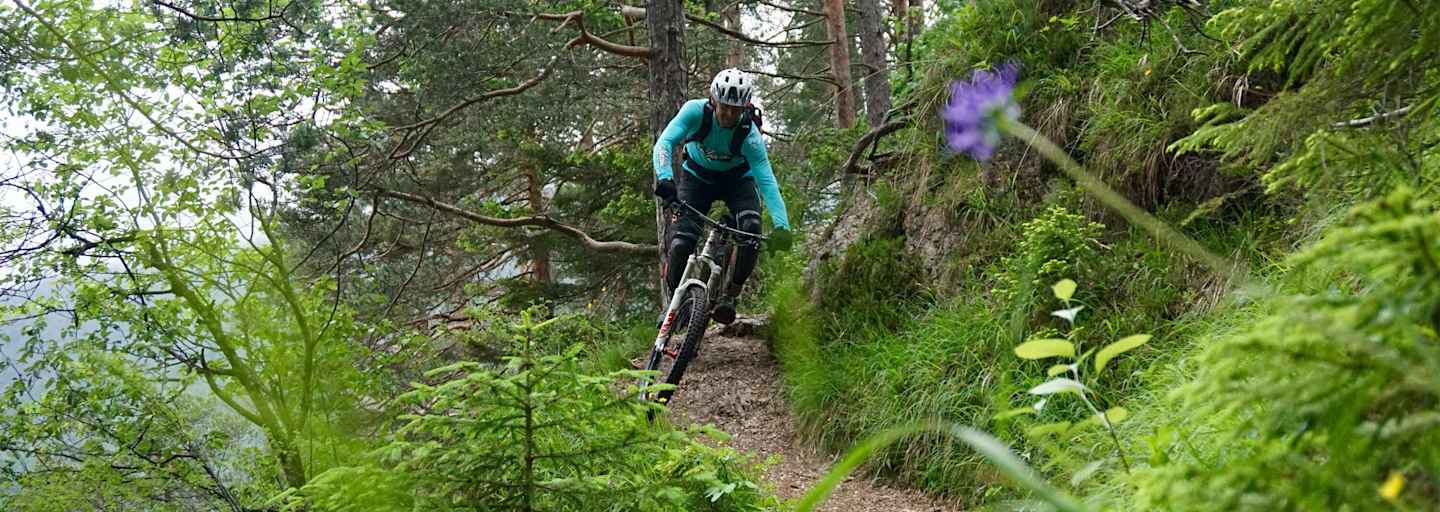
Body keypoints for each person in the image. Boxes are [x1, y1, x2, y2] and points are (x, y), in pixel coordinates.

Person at [652, 68, 793, 325]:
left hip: (738, 181)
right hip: (696, 178)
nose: (728, 115)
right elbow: (664, 143)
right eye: (724, 107)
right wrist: (664, 178)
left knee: (750, 229)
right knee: (680, 244)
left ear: (745, 108)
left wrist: (782, 226)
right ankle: (675, 302)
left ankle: (730, 296)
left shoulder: (749, 135)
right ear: (713, 101)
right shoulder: (695, 112)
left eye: (735, 110)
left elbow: (767, 181)